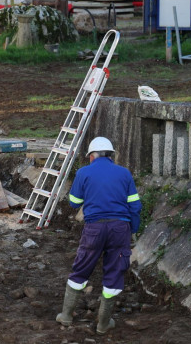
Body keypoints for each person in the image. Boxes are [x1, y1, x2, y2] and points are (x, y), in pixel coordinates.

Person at [56, 136, 142, 334]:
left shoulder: (83, 172)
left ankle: (66, 316)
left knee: (81, 267)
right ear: (111, 155)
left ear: (91, 157)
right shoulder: (124, 173)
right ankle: (103, 324)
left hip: (94, 228)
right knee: (114, 271)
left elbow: (74, 202)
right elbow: (135, 205)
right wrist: (133, 228)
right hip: (120, 229)